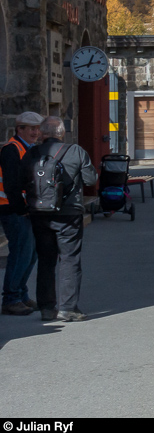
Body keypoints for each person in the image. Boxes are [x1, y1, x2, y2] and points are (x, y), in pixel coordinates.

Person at [21, 116, 97, 322]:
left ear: (42, 133)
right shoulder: (76, 151)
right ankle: (68, 307)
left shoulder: (32, 153)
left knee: (46, 260)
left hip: (39, 213)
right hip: (69, 213)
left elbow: (20, 180)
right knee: (69, 259)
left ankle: (47, 307)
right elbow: (91, 179)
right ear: (63, 133)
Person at [0, 111, 43, 315]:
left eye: (37, 129)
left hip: (23, 209)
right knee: (21, 253)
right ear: (20, 130)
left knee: (30, 253)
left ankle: (21, 295)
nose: (35, 132)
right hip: (13, 209)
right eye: (31, 129)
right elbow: (11, 184)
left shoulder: (28, 148)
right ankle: (11, 298)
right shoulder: (12, 150)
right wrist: (21, 208)